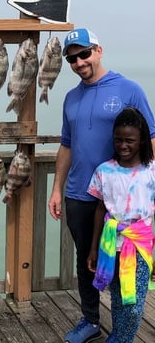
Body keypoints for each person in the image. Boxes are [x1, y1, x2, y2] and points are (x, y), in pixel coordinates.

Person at [47, 28, 155, 343]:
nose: (79, 62)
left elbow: (149, 138)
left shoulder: (129, 89)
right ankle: (91, 320)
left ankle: (123, 326)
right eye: (72, 59)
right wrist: (57, 188)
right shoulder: (71, 98)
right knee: (86, 260)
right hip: (79, 195)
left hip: (118, 202)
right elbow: (66, 146)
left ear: (98, 50)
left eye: (84, 54)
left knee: (128, 264)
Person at [87, 107, 155, 343]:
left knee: (134, 303)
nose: (123, 145)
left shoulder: (151, 172)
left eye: (130, 140)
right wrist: (94, 249)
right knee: (117, 297)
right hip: (110, 245)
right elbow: (100, 209)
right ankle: (118, 335)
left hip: (139, 247)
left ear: (142, 141)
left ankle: (119, 339)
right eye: (118, 140)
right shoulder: (104, 171)